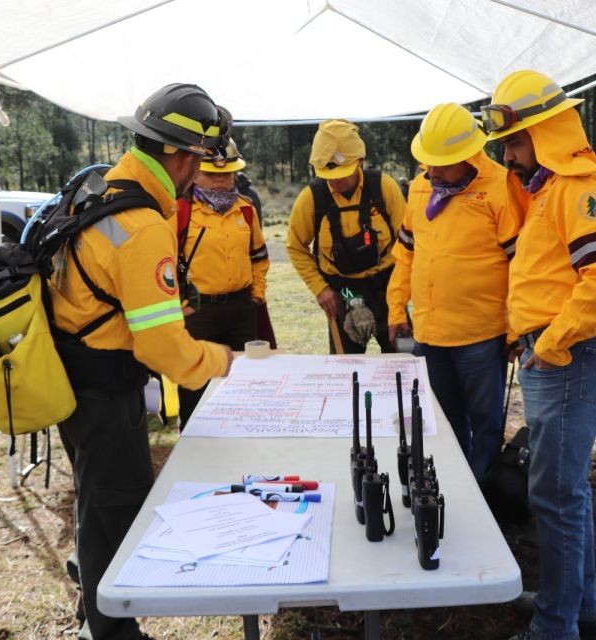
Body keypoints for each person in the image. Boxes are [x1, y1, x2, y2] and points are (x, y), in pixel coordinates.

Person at [48, 83, 234, 640]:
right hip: (106, 392)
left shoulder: (100, 188)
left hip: (72, 378)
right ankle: (111, 633)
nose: (200, 173)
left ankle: (97, 618)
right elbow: (161, 349)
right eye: (200, 160)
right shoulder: (145, 225)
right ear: (179, 154)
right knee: (118, 510)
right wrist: (219, 361)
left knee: (95, 504)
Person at [483, 70, 596, 640]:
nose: (510, 157)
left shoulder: (578, 190)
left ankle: (555, 626)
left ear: (545, 133)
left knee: (554, 493)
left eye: (516, 144)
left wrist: (548, 342)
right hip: (557, 354)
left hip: (570, 354)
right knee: (565, 490)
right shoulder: (548, 188)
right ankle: (576, 607)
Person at [386, 103, 520, 481]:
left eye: (442, 162)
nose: (432, 170)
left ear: (468, 153)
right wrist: (397, 309)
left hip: (481, 335)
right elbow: (406, 254)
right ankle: (453, 489)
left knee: (485, 423)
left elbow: (520, 265)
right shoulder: (420, 187)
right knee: (443, 422)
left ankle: (483, 494)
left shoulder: (500, 187)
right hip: (430, 335)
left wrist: (515, 328)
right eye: (428, 161)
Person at [286, 119, 406, 354]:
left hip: (388, 289)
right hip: (342, 292)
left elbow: (408, 241)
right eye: (328, 174)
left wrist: (400, 295)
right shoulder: (311, 199)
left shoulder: (384, 188)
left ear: (359, 161)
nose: (335, 180)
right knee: (345, 371)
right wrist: (320, 289)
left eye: (343, 173)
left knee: (403, 364)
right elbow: (295, 247)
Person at [175, 138, 269, 427]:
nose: (219, 181)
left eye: (225, 174)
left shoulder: (245, 209)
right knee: (196, 386)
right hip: (197, 313)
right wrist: (181, 306)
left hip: (241, 310)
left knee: (242, 385)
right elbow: (165, 266)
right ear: (195, 173)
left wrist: (256, 295)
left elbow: (259, 257)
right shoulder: (179, 211)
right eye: (211, 174)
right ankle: (192, 443)